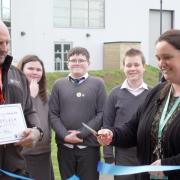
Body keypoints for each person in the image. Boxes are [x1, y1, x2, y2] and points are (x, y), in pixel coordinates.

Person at [97, 29, 180, 180]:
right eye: (158, 58)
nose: (161, 64)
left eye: (167, 57)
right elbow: (133, 128)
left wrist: (169, 165)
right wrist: (113, 135)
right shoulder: (157, 92)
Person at [49, 47, 107, 180]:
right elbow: (53, 114)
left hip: (89, 148)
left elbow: (102, 113)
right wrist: (65, 135)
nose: (77, 63)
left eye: (81, 60)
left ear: (89, 62)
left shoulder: (98, 84)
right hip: (65, 148)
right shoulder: (58, 84)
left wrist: (81, 134)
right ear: (67, 63)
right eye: (73, 60)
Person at [0, 21, 43, 179]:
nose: (4, 48)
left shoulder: (17, 75)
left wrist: (37, 131)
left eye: (7, 43)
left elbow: (29, 110)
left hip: (14, 167)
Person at [103, 48, 150, 180]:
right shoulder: (114, 94)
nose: (132, 68)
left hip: (146, 155)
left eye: (136, 64)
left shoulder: (153, 94)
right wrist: (108, 155)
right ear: (123, 68)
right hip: (122, 155)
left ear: (144, 67)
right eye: (128, 65)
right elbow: (107, 125)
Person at [17, 55, 54, 180]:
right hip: (22, 154)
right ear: (21, 70)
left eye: (39, 70)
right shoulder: (13, 92)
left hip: (43, 152)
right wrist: (30, 96)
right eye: (30, 68)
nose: (35, 72)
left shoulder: (47, 94)